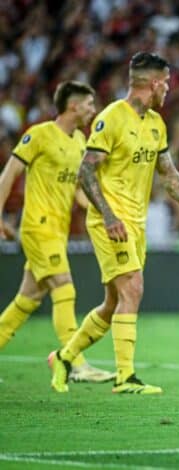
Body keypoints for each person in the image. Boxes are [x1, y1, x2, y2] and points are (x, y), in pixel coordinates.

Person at [48, 52, 179, 394]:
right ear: (154, 83)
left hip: (136, 222)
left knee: (114, 302)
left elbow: (167, 170)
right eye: (167, 83)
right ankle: (126, 377)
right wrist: (108, 215)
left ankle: (64, 356)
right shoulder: (111, 118)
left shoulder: (156, 124)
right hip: (111, 221)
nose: (169, 90)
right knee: (133, 287)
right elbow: (85, 170)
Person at [0, 81, 114, 383]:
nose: (93, 110)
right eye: (89, 104)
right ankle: (75, 363)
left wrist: (102, 215)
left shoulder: (79, 141)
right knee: (65, 287)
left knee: (27, 300)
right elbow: (10, 172)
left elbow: (77, 190)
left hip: (58, 230)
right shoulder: (39, 134)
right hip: (38, 225)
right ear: (73, 105)